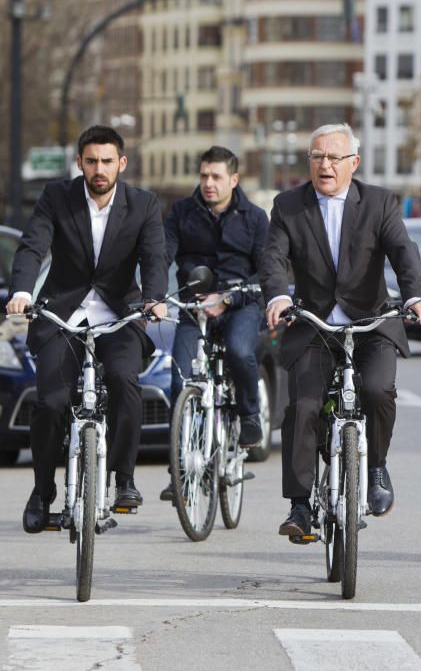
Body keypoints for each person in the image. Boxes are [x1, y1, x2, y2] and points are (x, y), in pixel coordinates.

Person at [259, 122, 421, 540]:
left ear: (353, 163)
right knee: (301, 406)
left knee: (376, 391)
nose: (325, 164)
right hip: (315, 325)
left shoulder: (379, 202)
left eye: (334, 157)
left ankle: (375, 469)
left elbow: (403, 253)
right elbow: (272, 259)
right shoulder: (288, 205)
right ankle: (300, 506)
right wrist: (277, 298)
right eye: (317, 156)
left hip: (370, 321)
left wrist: (415, 297)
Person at [7, 125, 168, 533]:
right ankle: (43, 492)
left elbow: (154, 258)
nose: (100, 169)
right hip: (64, 316)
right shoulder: (56, 197)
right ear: (79, 163)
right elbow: (32, 245)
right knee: (51, 402)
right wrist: (23, 291)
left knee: (123, 379)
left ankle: (124, 479)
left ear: (122, 163)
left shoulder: (144, 204)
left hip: (118, 315)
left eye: (107, 161)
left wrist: (153, 298)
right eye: (92, 161)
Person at [160, 146, 269, 501]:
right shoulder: (180, 213)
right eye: (204, 175)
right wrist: (152, 293)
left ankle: (250, 416)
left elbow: (266, 272)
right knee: (178, 377)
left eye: (216, 177)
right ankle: (180, 469)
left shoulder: (254, 218)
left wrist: (230, 299)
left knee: (240, 351)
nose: (208, 183)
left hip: (241, 303)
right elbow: (162, 255)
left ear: (233, 180)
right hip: (194, 306)